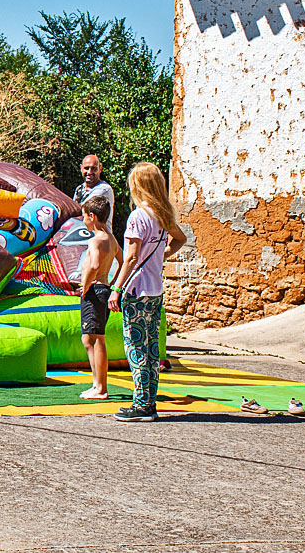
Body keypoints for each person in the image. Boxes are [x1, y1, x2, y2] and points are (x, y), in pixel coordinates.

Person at [107, 162, 187, 422]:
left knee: (136, 347)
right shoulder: (163, 215)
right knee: (152, 348)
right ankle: (149, 401)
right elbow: (180, 239)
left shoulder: (138, 217)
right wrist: (161, 256)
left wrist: (116, 288)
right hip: (155, 289)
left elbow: (130, 258)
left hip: (136, 289)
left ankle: (141, 405)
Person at [78, 195, 122, 400]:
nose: (83, 220)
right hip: (102, 289)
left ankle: (101, 387)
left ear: (92, 216)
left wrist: (86, 285)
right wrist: (112, 283)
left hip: (94, 290)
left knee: (97, 338)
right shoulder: (111, 239)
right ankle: (97, 384)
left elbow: (94, 265)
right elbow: (122, 261)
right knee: (88, 338)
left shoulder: (96, 240)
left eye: (84, 216)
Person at [72, 155, 115, 231]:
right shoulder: (79, 189)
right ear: (81, 168)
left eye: (94, 168)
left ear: (100, 169)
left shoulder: (104, 189)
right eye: (86, 168)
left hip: (100, 235)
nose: (89, 172)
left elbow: (81, 210)